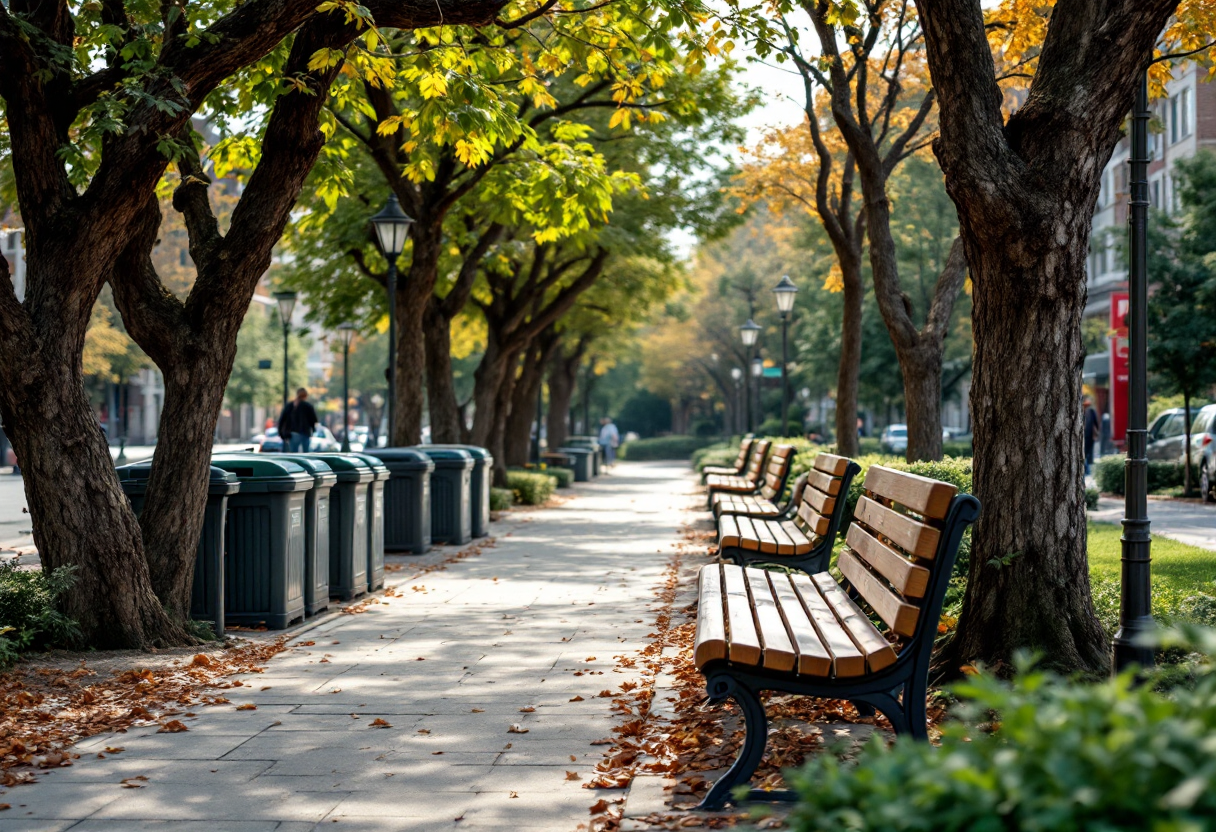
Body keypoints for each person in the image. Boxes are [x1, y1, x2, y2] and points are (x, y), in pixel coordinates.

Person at [278, 388, 319, 453]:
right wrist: (313, 430)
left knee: (293, 453)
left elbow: (282, 420)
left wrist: (281, 433)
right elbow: (314, 420)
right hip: (305, 432)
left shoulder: (290, 406)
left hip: (293, 433)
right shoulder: (308, 406)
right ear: (306, 396)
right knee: (306, 453)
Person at [1083, 395, 1100, 476]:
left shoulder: (1086, 411)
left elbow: (1096, 423)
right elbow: (1096, 423)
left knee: (1085, 453)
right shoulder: (1090, 411)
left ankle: (1086, 470)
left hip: (1087, 436)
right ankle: (1087, 470)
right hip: (1088, 436)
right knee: (1086, 453)